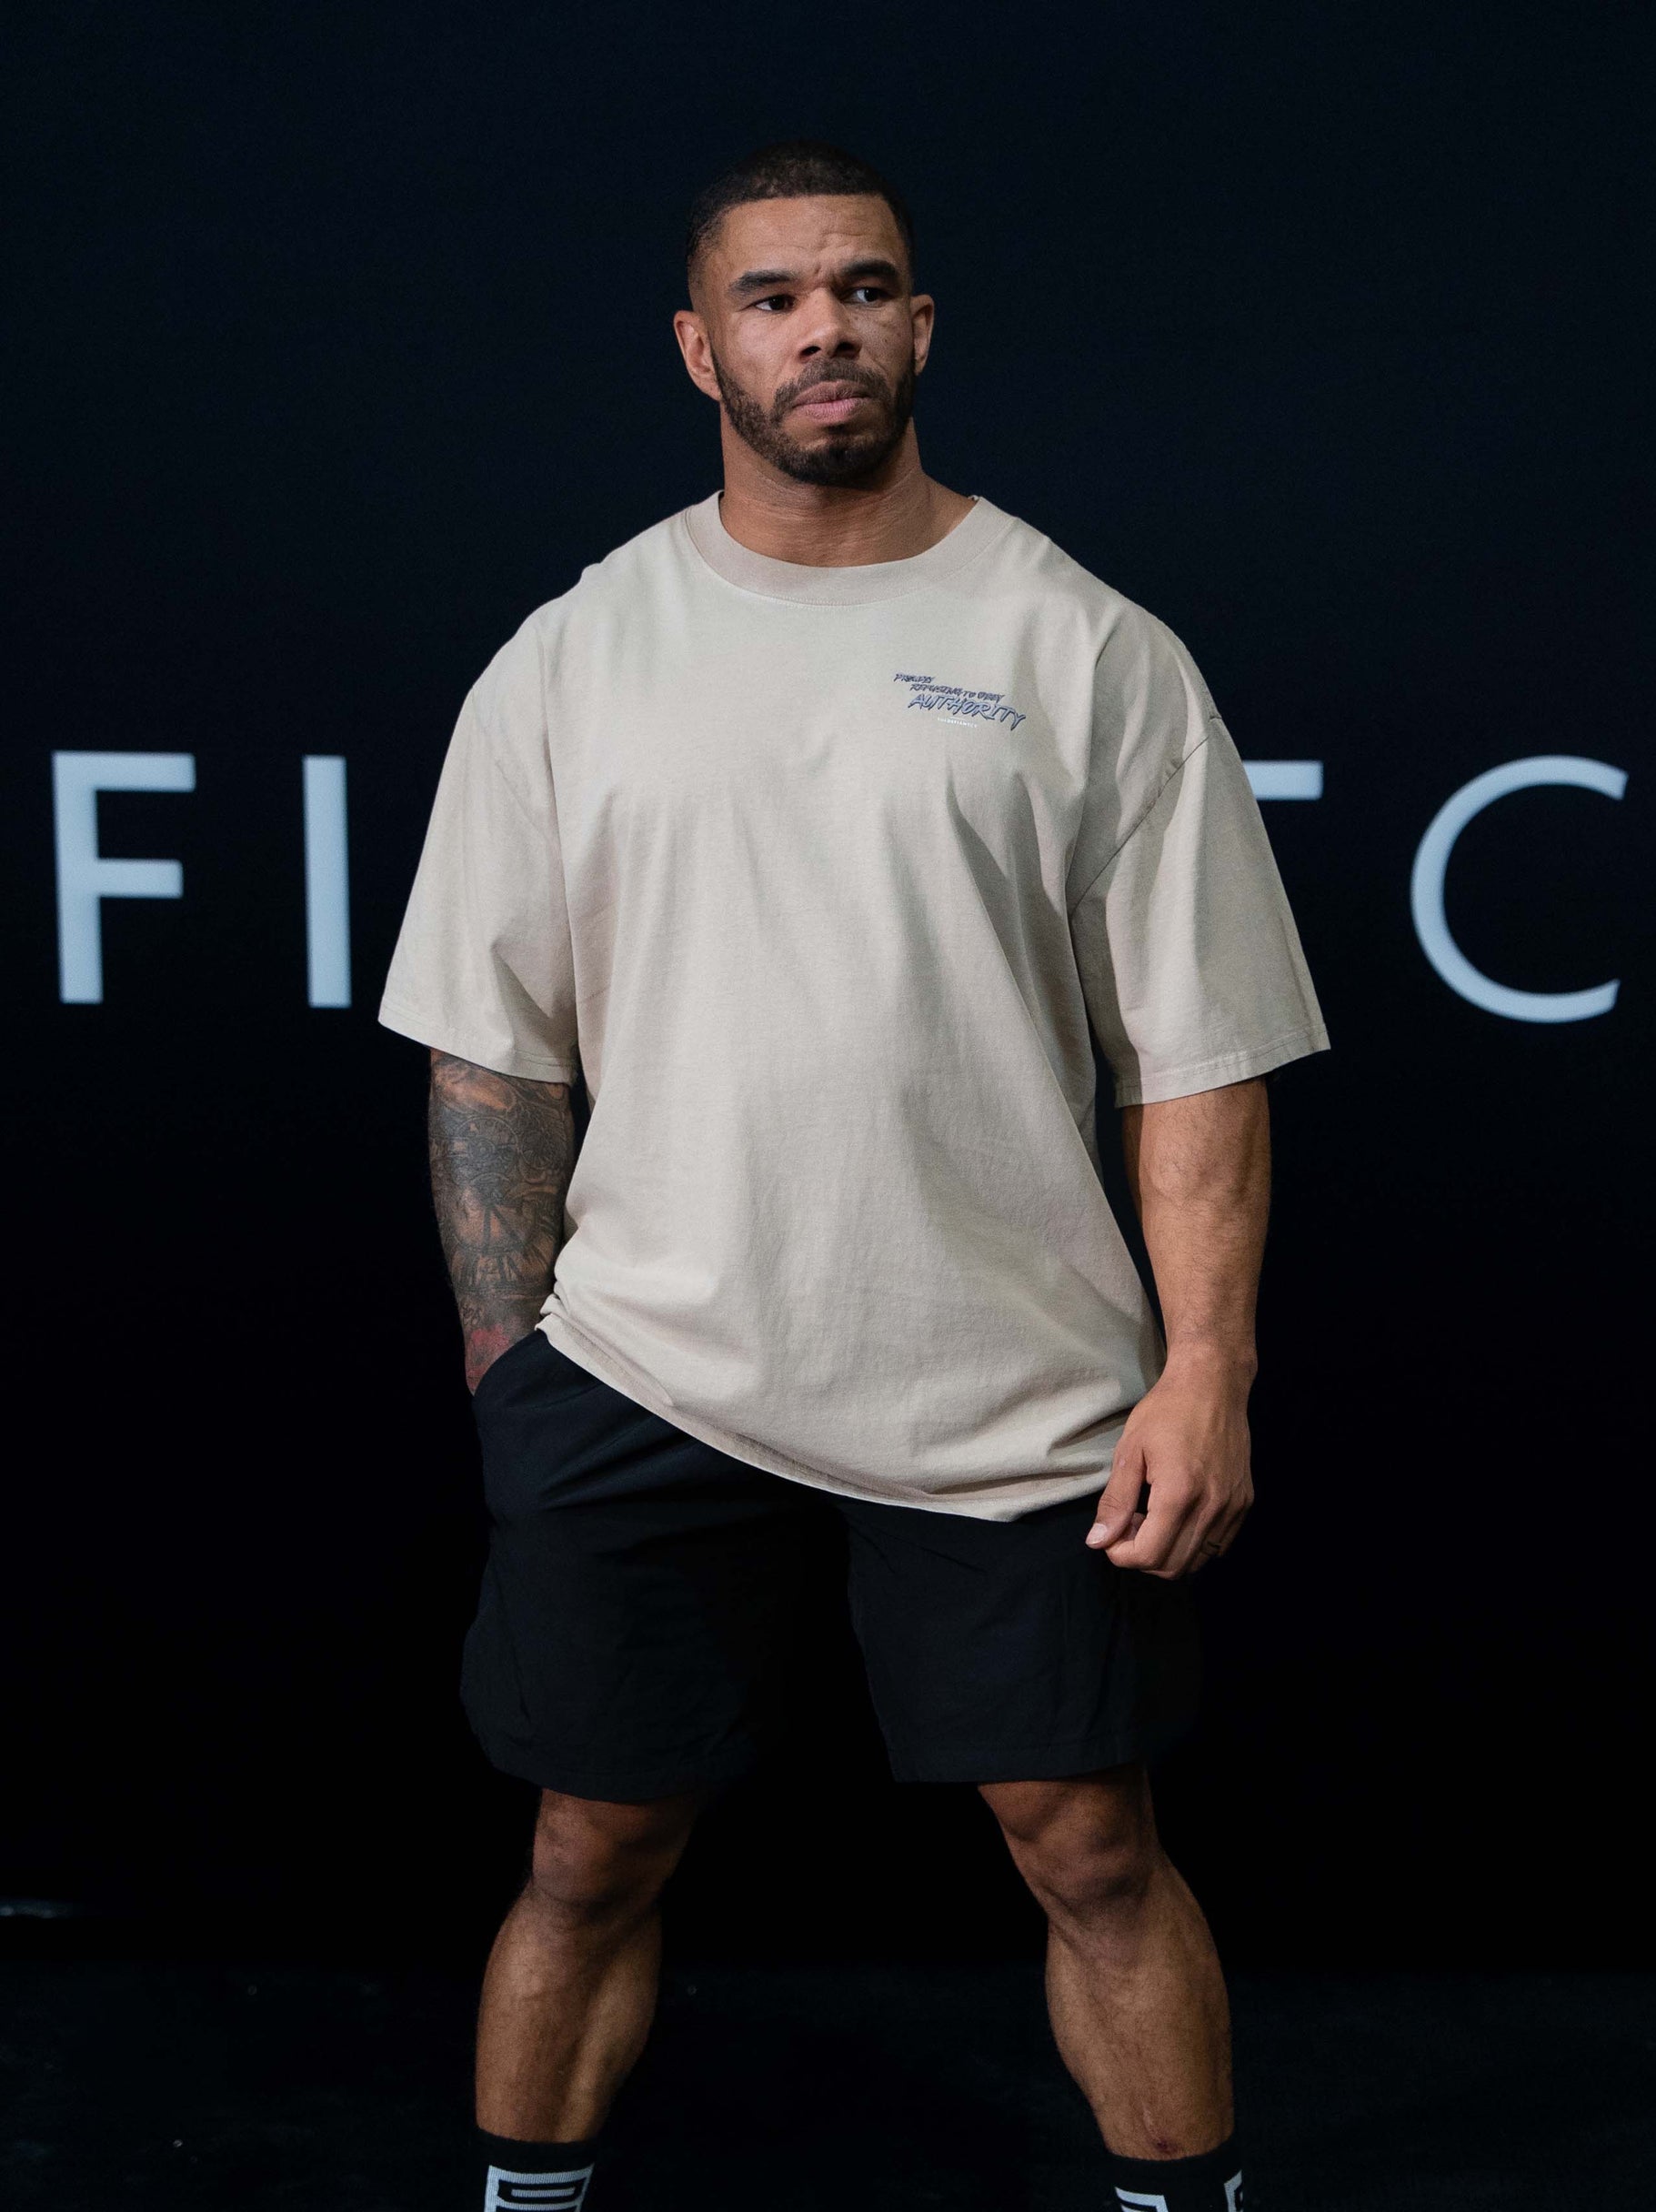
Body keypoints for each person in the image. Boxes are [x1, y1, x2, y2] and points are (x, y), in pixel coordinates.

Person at [380, 138, 1326, 2212]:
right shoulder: (577, 654)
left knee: (1089, 1843)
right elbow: (487, 1050)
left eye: (866, 288)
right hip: (643, 1367)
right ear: (699, 347)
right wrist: (508, 1373)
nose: (827, 327)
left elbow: (1201, 1060)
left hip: (1009, 1380)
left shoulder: (1083, 647)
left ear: (921, 327)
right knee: (587, 1844)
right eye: (779, 297)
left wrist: (1207, 1371)